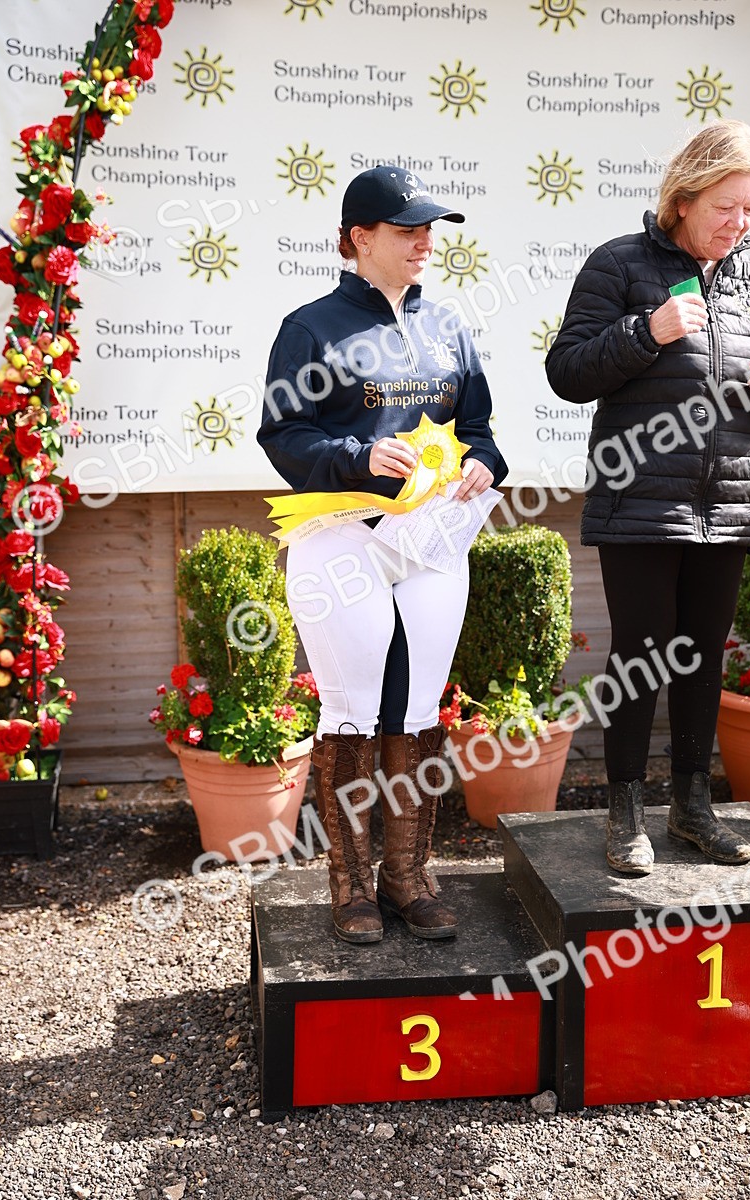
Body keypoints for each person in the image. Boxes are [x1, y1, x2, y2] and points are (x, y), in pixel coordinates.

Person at [258, 165, 507, 941]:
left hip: (433, 538)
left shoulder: (451, 325)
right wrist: (355, 459)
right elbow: (283, 434)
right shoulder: (311, 326)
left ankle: (408, 875)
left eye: (430, 229)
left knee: (420, 703)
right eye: (407, 229)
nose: (424, 241)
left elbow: (482, 429)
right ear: (359, 237)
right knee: (349, 709)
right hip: (342, 536)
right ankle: (350, 885)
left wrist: (483, 465)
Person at [545, 119, 750, 875]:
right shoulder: (620, 264)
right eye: (727, 206)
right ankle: (624, 812)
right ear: (684, 197)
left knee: (701, 663)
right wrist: (645, 332)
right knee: (641, 658)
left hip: (728, 505)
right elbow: (568, 372)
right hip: (641, 503)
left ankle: (692, 808)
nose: (740, 223)